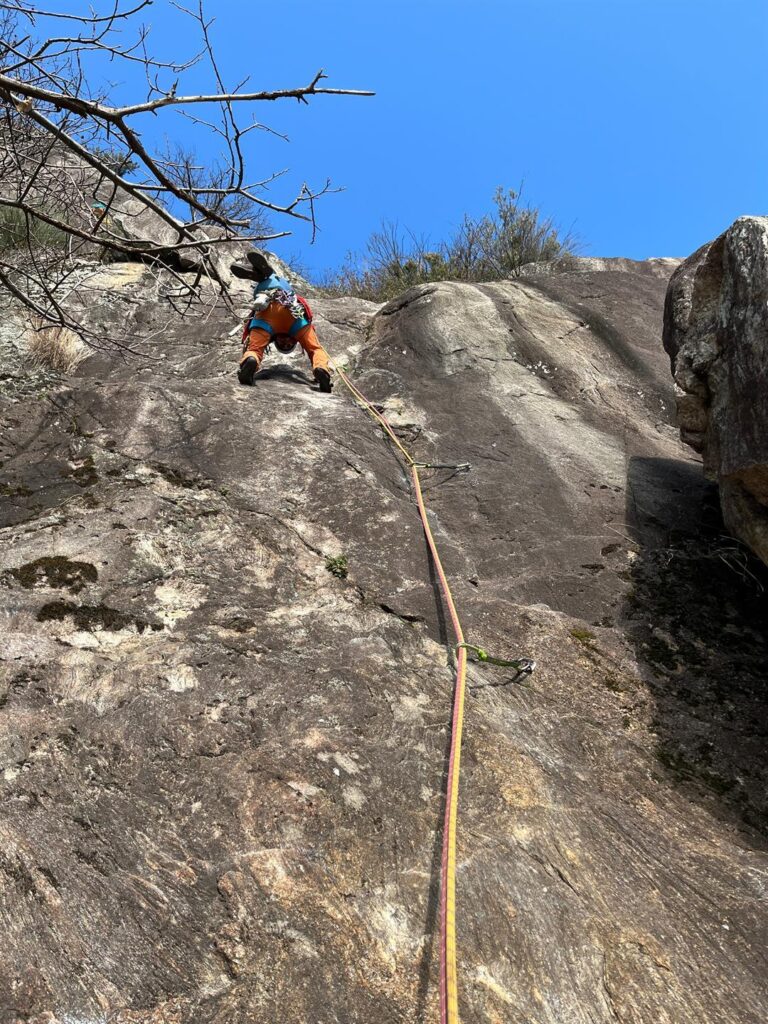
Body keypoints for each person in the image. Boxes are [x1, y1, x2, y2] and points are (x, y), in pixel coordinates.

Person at [231, 252, 332, 392]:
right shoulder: (299, 331)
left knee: (254, 350)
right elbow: (314, 349)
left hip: (268, 310)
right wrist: (321, 368)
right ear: (295, 341)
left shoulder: (269, 333)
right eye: (288, 345)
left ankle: (251, 361)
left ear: (276, 341)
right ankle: (321, 368)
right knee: (315, 349)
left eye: (283, 345)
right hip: (291, 311)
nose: (286, 342)